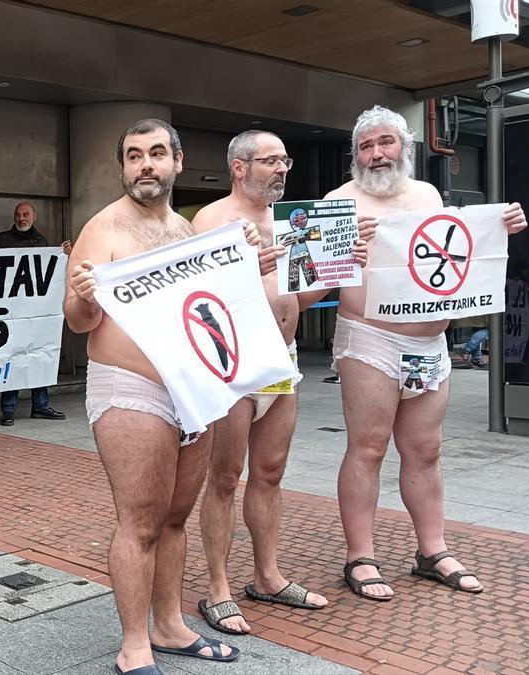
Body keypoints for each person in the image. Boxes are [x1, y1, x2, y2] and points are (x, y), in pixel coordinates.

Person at [329, 106, 527, 600]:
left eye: (385, 143)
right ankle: (360, 556)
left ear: (405, 148)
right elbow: (315, 274)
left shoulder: (428, 195)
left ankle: (431, 549)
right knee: (368, 448)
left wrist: (501, 225)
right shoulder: (338, 200)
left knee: (425, 449)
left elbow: (452, 249)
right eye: (366, 146)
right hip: (370, 338)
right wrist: (343, 248)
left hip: (429, 342)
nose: (376, 154)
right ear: (355, 155)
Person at [66, 119, 238, 675]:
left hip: (189, 388)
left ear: (177, 162)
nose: (145, 164)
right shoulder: (103, 228)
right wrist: (84, 299)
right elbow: (77, 322)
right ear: (123, 167)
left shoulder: (187, 233)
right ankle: (133, 645)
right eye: (134, 155)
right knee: (139, 520)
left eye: (156, 153)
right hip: (129, 386)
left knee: (175, 518)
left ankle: (170, 624)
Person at [190, 130, 338, 634]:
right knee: (225, 477)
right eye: (270, 161)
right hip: (233, 364)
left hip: (282, 362)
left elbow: (299, 300)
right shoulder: (211, 219)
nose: (281, 170)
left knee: (270, 473)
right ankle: (217, 588)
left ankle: (267, 576)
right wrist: (245, 269)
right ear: (238, 167)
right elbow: (197, 296)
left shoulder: (290, 220)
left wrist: (335, 272)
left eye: (284, 161)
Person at [0, 202, 71, 426]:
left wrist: (60, 255)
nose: (21, 218)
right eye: (17, 214)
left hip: (36, 312)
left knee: (39, 354)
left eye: (26, 214)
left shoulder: (43, 242)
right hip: (11, 311)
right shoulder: (1, 239)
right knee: (11, 357)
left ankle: (41, 406)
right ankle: (8, 410)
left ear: (34, 217)